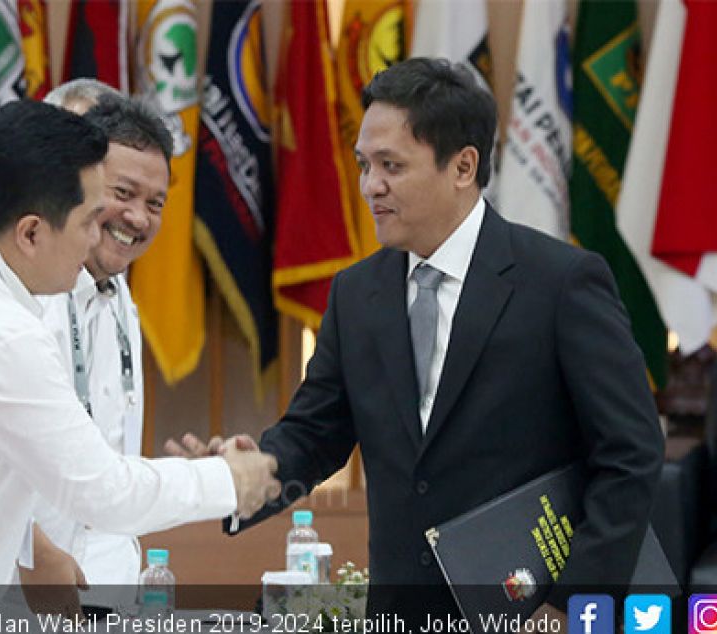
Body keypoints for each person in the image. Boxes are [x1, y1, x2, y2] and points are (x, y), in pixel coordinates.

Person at [177, 58, 663, 624]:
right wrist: (240, 474)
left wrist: (572, 604)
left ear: (462, 167)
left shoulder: (561, 282)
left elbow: (631, 454)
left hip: (532, 609)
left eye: (391, 166)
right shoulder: (356, 294)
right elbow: (314, 436)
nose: (369, 186)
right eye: (364, 165)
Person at [0, 99, 279, 618]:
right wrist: (232, 480)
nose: (97, 236)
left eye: (155, 201)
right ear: (32, 232)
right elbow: (103, 492)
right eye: (91, 217)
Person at [33, 91, 171, 610]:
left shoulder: (121, 294)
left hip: (106, 586)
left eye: (155, 204)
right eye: (124, 193)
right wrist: (35, 555)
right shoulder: (31, 295)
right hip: (20, 595)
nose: (137, 217)